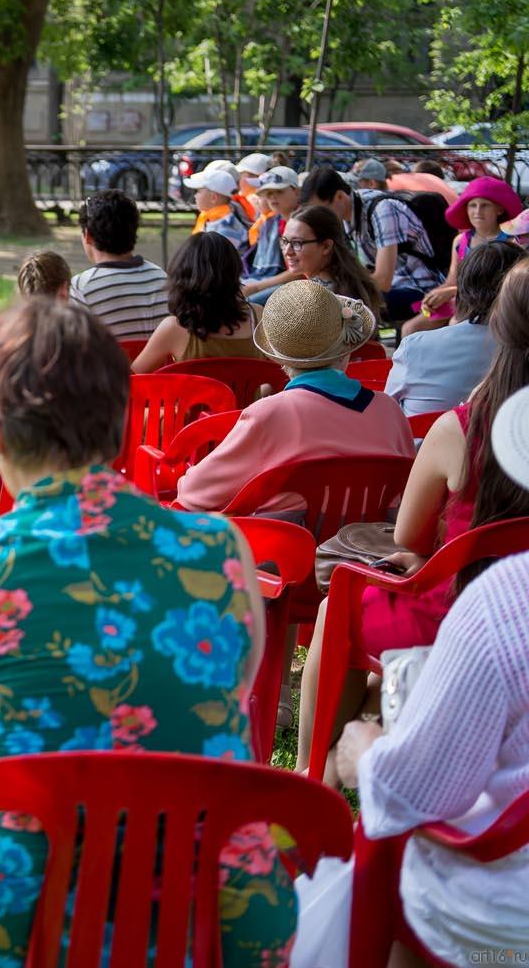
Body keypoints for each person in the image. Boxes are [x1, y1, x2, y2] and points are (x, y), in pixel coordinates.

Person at [0, 298, 295, 967]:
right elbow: (230, 688)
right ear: (118, 423)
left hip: (14, 908)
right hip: (221, 906)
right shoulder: (223, 552)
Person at [300, 260, 529, 788]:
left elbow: (407, 536)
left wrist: (430, 558)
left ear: (500, 326)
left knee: (341, 603)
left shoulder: (463, 428)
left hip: (463, 608)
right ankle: (356, 746)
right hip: (493, 605)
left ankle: (316, 774)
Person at [331, 383, 529, 965]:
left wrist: (365, 751)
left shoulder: (505, 602)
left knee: (385, 841)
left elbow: (414, 792)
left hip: (500, 919)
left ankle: (316, 776)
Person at [175, 280, 413, 515]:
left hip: (287, 551)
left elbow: (195, 493)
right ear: (347, 348)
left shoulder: (269, 414)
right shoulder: (389, 410)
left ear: (278, 357)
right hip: (372, 549)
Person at [388, 241, 521, 416]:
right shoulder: (518, 347)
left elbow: (387, 413)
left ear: (462, 290)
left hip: (422, 442)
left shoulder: (413, 347)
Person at [300, 166, 444, 321]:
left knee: (344, 303)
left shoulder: (383, 209)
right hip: (395, 286)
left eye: (322, 210)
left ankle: (366, 345)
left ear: (340, 197)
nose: (319, 218)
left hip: (421, 291)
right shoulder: (348, 213)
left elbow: (383, 281)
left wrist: (337, 289)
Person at [402, 176, 524, 336]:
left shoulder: (512, 243)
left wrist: (452, 292)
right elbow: (452, 280)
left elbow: (509, 286)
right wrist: (434, 296)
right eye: (472, 205)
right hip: (460, 302)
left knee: (455, 325)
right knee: (410, 329)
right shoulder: (461, 241)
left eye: (485, 205)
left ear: (499, 210)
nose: (477, 211)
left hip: (493, 305)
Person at [133, 234, 266, 372]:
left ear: (182, 276)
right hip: (249, 394)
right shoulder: (257, 316)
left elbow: (132, 379)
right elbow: (276, 374)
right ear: (234, 271)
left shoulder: (174, 328)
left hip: (190, 395)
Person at [68, 189, 168, 341]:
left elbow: (76, 347)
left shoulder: (81, 287)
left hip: (110, 365)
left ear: (88, 235)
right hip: (160, 365)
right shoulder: (161, 278)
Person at [277, 205, 384, 315]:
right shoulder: (348, 281)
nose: (287, 251)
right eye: (285, 241)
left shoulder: (315, 296)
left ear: (326, 246)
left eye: (297, 243)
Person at [242, 166, 301, 303]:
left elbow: (299, 273)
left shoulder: (302, 223)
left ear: (296, 192)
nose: (273, 197)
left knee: (245, 306)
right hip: (279, 283)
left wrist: (255, 287)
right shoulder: (275, 222)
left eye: (279, 191)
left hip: (300, 287)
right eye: (268, 193)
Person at [189, 167, 253, 252]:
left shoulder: (227, 227)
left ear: (213, 197)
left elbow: (216, 262)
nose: (195, 196)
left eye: (199, 191)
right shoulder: (212, 220)